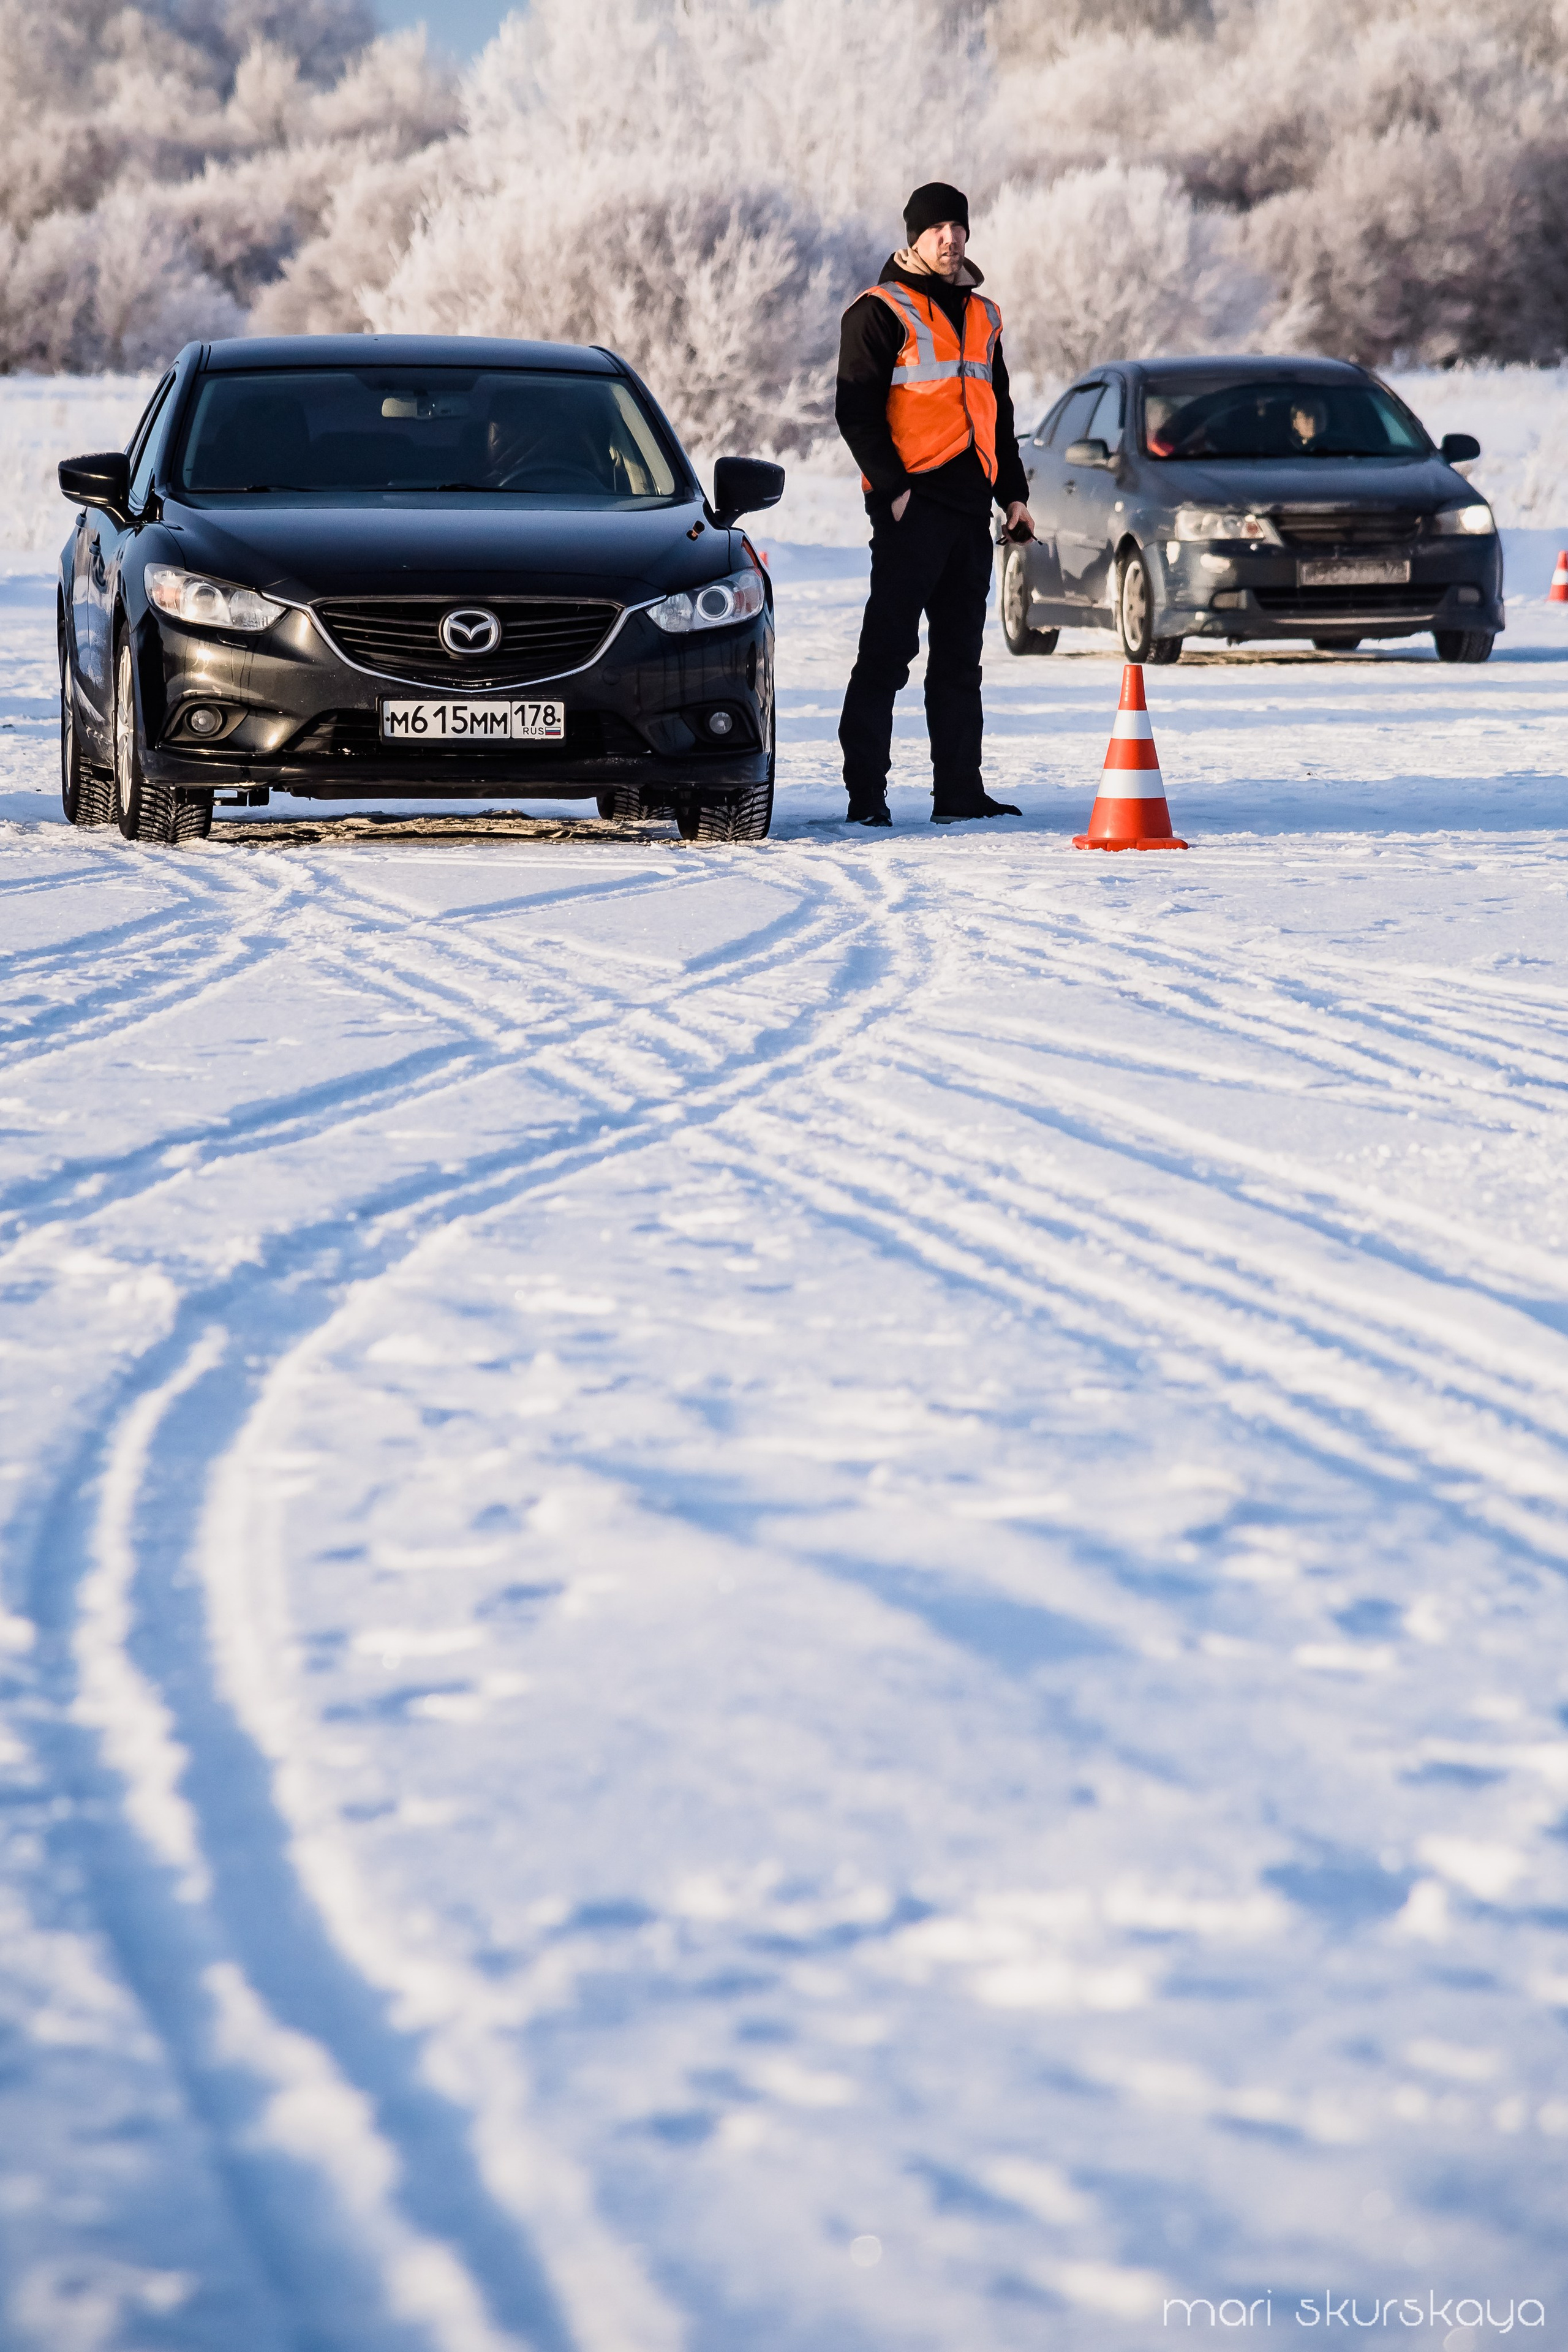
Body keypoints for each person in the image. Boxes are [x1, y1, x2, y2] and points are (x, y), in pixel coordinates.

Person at [834, 181, 1034, 826]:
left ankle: (959, 793)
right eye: (936, 229)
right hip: (911, 508)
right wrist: (892, 493)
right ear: (914, 238)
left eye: (958, 227)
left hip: (970, 506)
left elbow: (996, 415)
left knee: (958, 663)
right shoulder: (877, 310)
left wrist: (1014, 497)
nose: (949, 239)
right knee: (887, 657)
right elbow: (855, 414)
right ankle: (866, 797)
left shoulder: (985, 316)